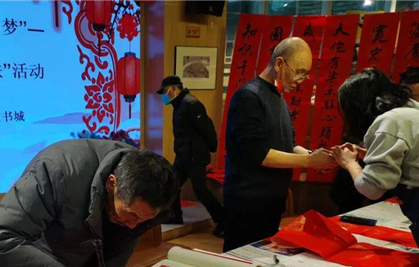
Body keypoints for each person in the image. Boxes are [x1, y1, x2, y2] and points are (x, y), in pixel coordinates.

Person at [0, 139, 179, 267]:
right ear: (111, 184)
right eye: (132, 215)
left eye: (142, 220)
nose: (133, 226)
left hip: (85, 249)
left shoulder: (143, 186)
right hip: (32, 258)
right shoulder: (56, 170)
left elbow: (126, 238)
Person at [223, 37, 336, 252]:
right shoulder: (249, 96)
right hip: (248, 202)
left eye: (305, 74)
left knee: (264, 259)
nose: (301, 80)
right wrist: (309, 161)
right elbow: (258, 154)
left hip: (270, 199)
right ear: (279, 63)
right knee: (242, 259)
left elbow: (288, 144)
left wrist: (318, 156)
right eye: (299, 72)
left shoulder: (278, 98)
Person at [332, 67, 419, 246]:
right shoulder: (411, 111)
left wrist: (349, 163)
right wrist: (367, 154)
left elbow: (372, 189)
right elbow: (408, 156)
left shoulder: (391, 121)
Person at [156, 75, 225, 236]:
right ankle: (174, 217)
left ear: (173, 88)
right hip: (183, 155)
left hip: (194, 157)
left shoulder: (191, 104)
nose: (164, 95)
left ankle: (224, 221)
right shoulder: (179, 104)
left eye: (165, 91)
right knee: (171, 185)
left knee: (201, 191)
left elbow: (206, 129)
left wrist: (211, 149)